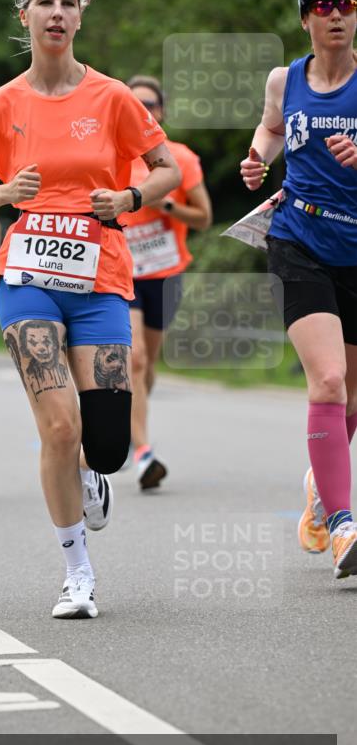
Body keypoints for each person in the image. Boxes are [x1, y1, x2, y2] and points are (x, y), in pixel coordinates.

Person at [0, 0, 180, 618]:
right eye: (44, 1)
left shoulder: (110, 99)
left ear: (80, 17)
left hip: (100, 276)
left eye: (67, 2)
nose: (55, 11)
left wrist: (129, 198)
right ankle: (77, 571)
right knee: (56, 426)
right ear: (25, 15)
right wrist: (0, 195)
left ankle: (89, 473)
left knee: (101, 445)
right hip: (26, 278)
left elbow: (166, 170)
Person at [240, 0, 357, 580]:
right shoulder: (285, 80)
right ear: (307, 18)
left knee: (351, 400)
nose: (336, 15)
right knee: (330, 382)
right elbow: (271, 127)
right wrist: (260, 157)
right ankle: (343, 527)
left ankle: (320, 486)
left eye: (347, 5)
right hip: (299, 239)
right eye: (324, 6)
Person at [120, 76, 212, 489]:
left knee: (148, 364)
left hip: (166, 271)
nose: (145, 112)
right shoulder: (114, 156)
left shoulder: (180, 159)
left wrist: (168, 203)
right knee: (135, 358)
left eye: (151, 105)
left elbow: (204, 218)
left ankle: (132, 420)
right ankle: (142, 452)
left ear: (162, 111)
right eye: (136, 105)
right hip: (122, 272)